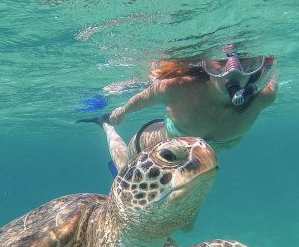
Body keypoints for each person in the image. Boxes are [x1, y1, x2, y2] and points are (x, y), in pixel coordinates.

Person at [78, 49, 277, 173]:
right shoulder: (179, 87)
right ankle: (105, 124)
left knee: (182, 218)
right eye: (220, 61)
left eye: (245, 60)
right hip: (150, 144)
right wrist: (119, 114)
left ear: (257, 64)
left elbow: (273, 68)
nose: (233, 70)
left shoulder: (262, 97)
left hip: (187, 169)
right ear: (205, 64)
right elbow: (142, 99)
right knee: (125, 171)